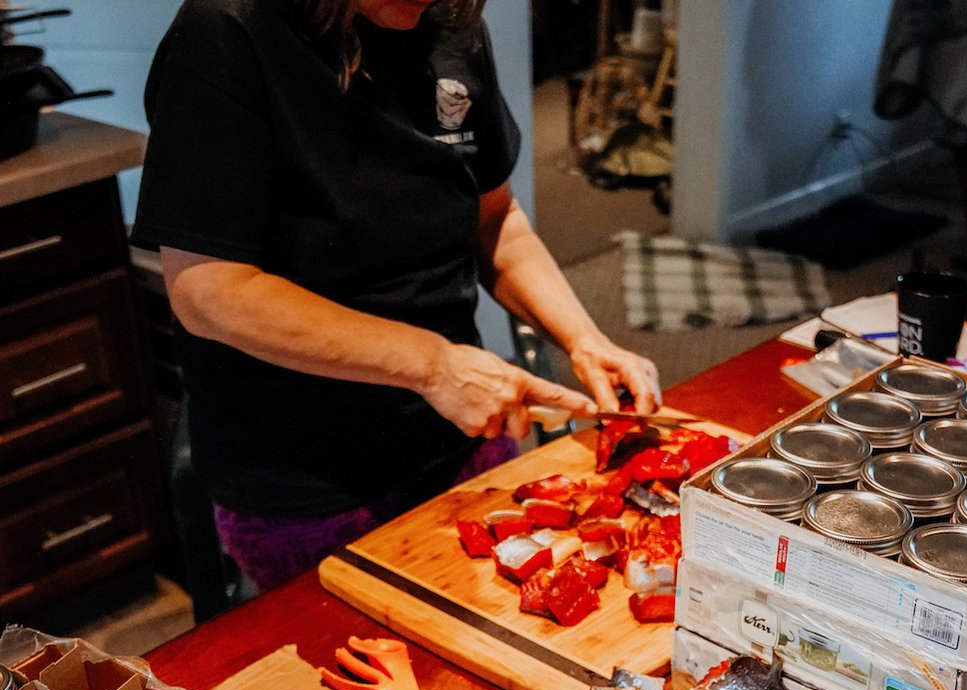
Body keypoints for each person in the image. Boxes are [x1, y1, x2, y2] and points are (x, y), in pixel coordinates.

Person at [132, 0, 660, 592]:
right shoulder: (228, 29)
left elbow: (494, 219)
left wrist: (582, 336)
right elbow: (209, 290)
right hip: (306, 479)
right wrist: (432, 366)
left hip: (462, 438)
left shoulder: (452, 24)